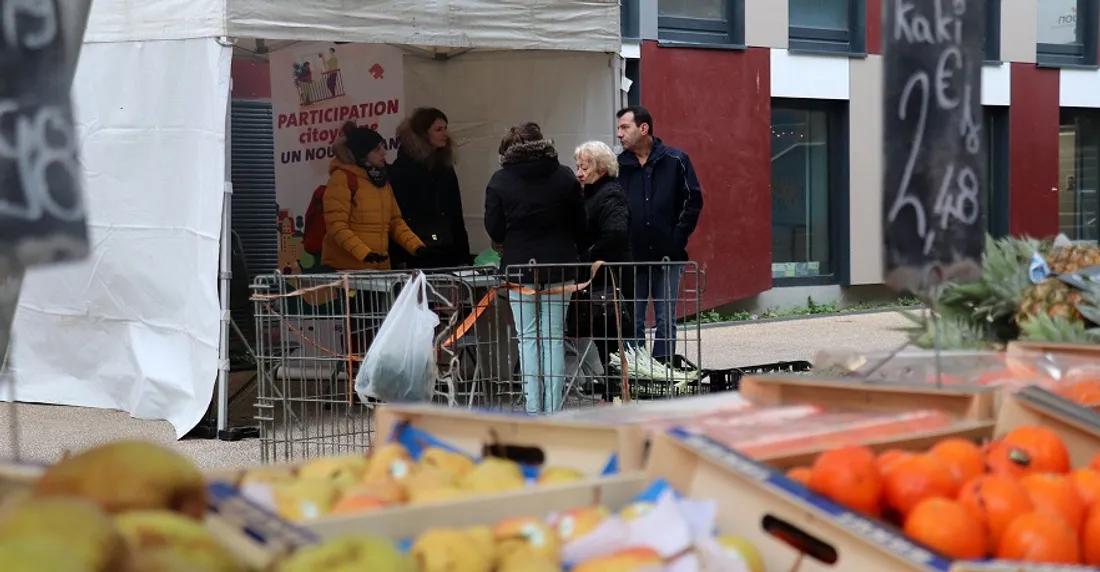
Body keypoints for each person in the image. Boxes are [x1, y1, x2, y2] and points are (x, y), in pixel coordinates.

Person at [485, 123, 586, 414]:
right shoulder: (564, 175)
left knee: (527, 338)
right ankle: (553, 410)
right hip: (560, 265)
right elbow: (581, 223)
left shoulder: (500, 180)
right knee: (554, 337)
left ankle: (533, 408)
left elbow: (494, 228)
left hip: (519, 267)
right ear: (542, 143)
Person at [616, 105, 703, 362]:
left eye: (625, 127)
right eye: (619, 128)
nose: (620, 134)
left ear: (643, 128)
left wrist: (677, 238)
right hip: (633, 257)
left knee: (665, 318)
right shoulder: (619, 166)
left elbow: (693, 200)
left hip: (668, 255)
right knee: (634, 318)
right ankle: (637, 372)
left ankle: (662, 369)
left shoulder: (676, 160)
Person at [322, 121, 427, 271]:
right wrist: (364, 254)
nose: (384, 152)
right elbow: (336, 226)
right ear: (362, 154)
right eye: (377, 149)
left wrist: (417, 247)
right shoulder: (342, 178)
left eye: (382, 147)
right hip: (347, 268)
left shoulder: (380, 180)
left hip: (378, 267)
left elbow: (395, 222)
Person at [574, 140, 633, 397]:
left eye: (585, 167)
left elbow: (616, 234)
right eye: (578, 167)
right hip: (600, 278)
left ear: (601, 168)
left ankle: (617, 394)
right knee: (604, 339)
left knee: (610, 339)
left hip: (611, 278)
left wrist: (587, 256)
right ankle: (613, 392)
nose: (579, 173)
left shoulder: (610, 194)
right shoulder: (590, 194)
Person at [389, 107, 472, 269]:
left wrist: (463, 255)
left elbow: (456, 214)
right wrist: (399, 257)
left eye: (445, 128)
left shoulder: (445, 166)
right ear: (423, 133)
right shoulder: (403, 168)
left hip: (447, 249)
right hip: (416, 251)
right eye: (438, 129)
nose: (445, 134)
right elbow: (397, 217)